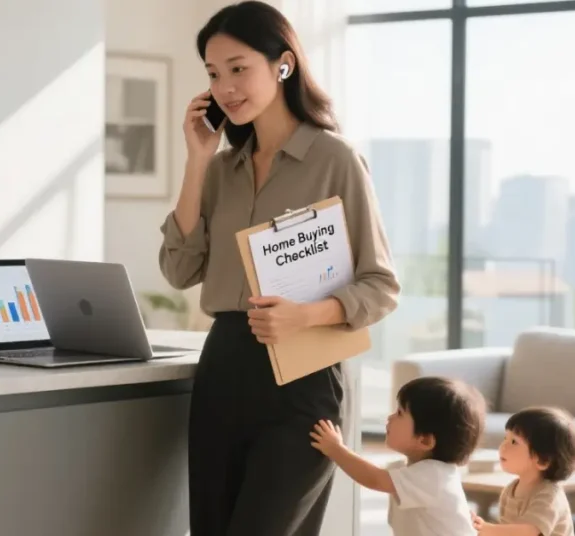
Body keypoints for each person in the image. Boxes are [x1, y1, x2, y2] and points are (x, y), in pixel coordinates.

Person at [157, 1, 401, 535]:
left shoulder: (335, 159)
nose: (225, 88)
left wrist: (306, 316)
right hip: (224, 367)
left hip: (303, 378)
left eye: (238, 68)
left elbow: (381, 286)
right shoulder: (221, 170)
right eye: (214, 74)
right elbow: (179, 270)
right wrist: (197, 161)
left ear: (283, 65)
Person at [310, 377, 486, 536]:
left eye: (400, 413)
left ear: (425, 440)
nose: (390, 417)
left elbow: (375, 479)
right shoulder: (413, 470)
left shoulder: (434, 476)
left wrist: (336, 449)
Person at [472, 407, 575, 536]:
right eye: (505, 438)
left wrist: (486, 529)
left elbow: (528, 532)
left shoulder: (550, 496)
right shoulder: (510, 490)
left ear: (543, 460)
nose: (503, 446)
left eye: (514, 442)